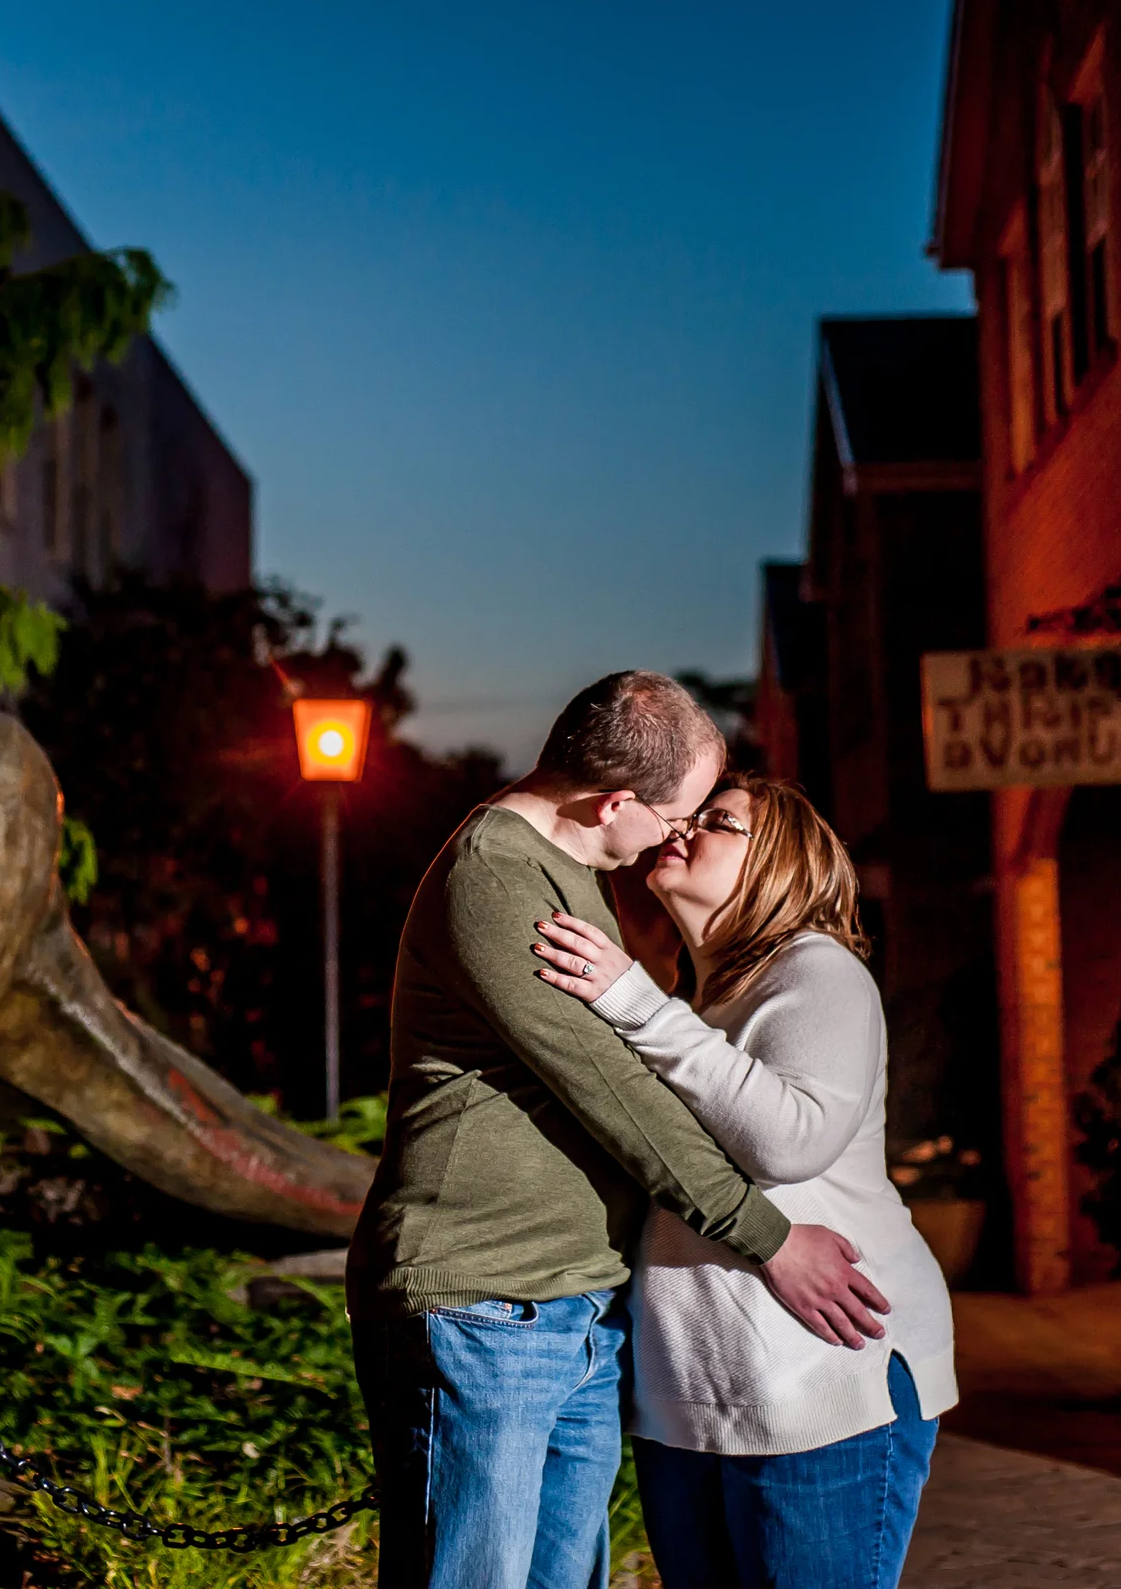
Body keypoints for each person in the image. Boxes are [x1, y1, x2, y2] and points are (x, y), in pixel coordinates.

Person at [349, 674, 891, 1589]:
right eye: (676, 816)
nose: (678, 836)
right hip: (484, 1303)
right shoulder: (497, 878)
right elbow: (619, 1094)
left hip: (573, 1310)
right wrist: (770, 1239)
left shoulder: (577, 873)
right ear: (613, 802)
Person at [531, 773, 957, 1589]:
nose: (685, 827)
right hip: (693, 1404)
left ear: (780, 867)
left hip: (825, 1384)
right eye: (689, 815)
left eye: (718, 821)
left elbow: (787, 1143)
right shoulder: (699, 1001)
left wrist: (634, 1005)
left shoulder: (817, 973)